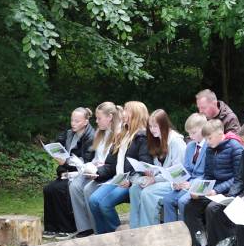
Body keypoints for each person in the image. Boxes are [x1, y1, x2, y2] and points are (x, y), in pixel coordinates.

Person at [180, 120, 244, 246]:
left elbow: (238, 178)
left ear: (220, 134)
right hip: (214, 191)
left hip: (231, 192)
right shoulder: (210, 149)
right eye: (206, 139)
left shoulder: (235, 147)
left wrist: (216, 190)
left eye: (209, 138)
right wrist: (200, 191)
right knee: (190, 206)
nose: (207, 142)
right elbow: (208, 176)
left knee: (212, 209)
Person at [88, 101, 151, 235]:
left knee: (105, 204)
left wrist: (131, 181)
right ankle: (102, 235)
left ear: (135, 114)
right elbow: (110, 164)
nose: (123, 113)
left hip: (131, 182)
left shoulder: (143, 137)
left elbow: (145, 165)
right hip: (118, 179)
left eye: (126, 110)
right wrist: (97, 173)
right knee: (93, 200)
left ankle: (118, 235)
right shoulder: (122, 134)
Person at [127, 109, 189, 228]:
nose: (152, 129)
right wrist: (150, 173)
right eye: (150, 126)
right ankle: (134, 229)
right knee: (135, 189)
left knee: (148, 193)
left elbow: (178, 173)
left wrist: (155, 179)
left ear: (164, 125)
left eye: (155, 126)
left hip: (175, 183)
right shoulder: (157, 139)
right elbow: (158, 167)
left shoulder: (176, 141)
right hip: (160, 179)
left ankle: (149, 230)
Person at [42, 106, 96, 238]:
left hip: (81, 174)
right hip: (67, 172)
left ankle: (68, 227)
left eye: (77, 121)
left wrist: (65, 163)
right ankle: (51, 227)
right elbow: (60, 147)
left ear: (86, 122)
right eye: (72, 120)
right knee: (49, 189)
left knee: (60, 189)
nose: (73, 123)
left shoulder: (91, 137)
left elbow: (86, 162)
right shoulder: (69, 134)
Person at [67, 102, 119, 235]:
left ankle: (97, 228)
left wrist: (98, 167)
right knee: (74, 186)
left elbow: (112, 164)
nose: (96, 121)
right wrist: (91, 165)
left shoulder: (117, 135)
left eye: (99, 118)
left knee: (88, 189)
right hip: (96, 170)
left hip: (108, 174)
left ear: (110, 117)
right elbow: (96, 157)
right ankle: (85, 227)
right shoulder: (100, 133)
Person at [151, 113, 208, 225]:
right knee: (168, 200)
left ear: (203, 129)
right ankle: (171, 230)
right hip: (188, 183)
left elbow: (207, 173)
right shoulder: (190, 146)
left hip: (201, 183)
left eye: (193, 133)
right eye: (189, 133)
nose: (190, 136)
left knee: (182, 201)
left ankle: (185, 231)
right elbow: (186, 169)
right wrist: (178, 181)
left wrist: (190, 184)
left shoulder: (209, 146)